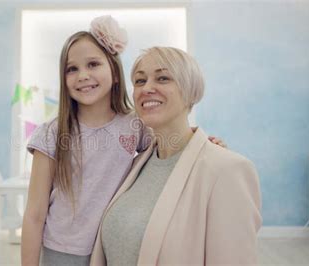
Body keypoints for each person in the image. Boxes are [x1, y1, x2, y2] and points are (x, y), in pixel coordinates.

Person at [21, 16, 226, 266]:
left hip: (114, 248)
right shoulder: (52, 133)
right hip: (62, 253)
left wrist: (203, 145)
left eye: (93, 64)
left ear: (115, 73)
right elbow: (34, 215)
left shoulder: (135, 125)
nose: (82, 75)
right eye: (71, 69)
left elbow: (170, 149)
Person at [90, 47, 262, 266]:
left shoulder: (228, 170)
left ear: (190, 90)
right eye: (140, 81)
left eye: (163, 78)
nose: (147, 88)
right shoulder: (136, 164)